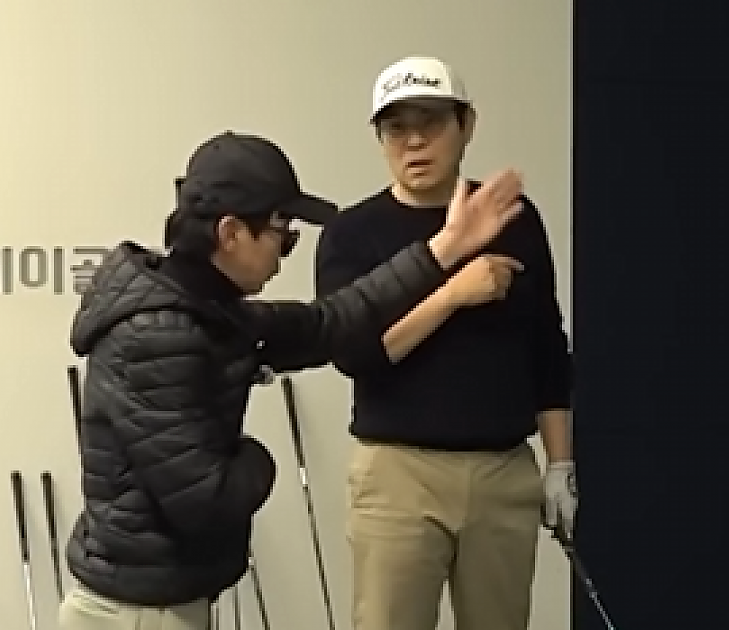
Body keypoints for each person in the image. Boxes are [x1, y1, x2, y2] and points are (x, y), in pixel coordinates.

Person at [56, 130, 527, 630]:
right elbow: (208, 502)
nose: (285, 254)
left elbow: (333, 321)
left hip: (158, 602)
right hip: (137, 615)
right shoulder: (161, 335)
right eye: (283, 235)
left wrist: (446, 248)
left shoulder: (208, 312)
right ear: (231, 233)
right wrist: (256, 457)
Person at [313, 57, 576, 630]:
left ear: (466, 125)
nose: (414, 142)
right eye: (396, 128)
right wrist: (452, 294)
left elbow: (547, 347)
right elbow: (355, 356)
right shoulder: (352, 233)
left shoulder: (515, 219)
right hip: (398, 473)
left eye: (430, 122)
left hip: (502, 470)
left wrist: (560, 463)